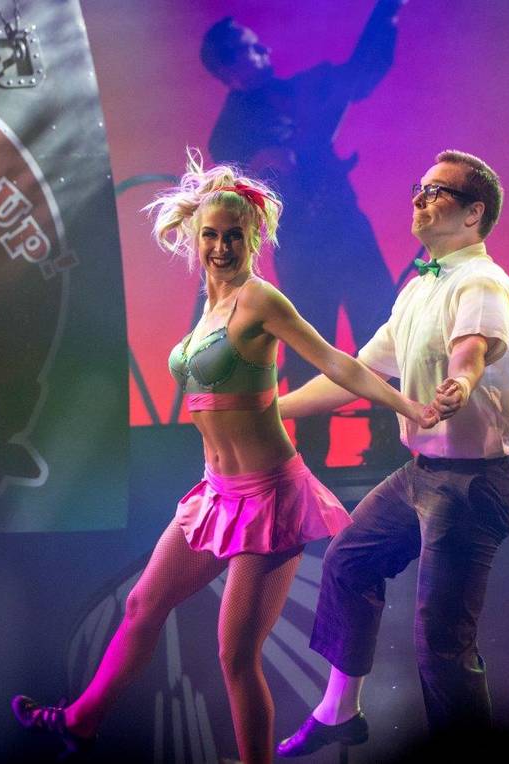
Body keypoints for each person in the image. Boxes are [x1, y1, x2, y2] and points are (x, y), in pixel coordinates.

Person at [11, 151, 436, 763]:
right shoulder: (209, 311)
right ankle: (79, 723)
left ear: (252, 238)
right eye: (210, 235)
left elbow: (337, 363)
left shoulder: (260, 300)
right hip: (216, 494)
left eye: (233, 236)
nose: (220, 247)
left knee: (235, 656)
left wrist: (407, 405)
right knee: (141, 605)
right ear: (196, 237)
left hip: (270, 499)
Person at [276, 150, 509, 756]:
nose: (420, 197)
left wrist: (461, 383)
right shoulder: (420, 287)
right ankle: (339, 711)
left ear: (473, 214)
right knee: (348, 562)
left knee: (441, 641)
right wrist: (271, 410)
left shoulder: (479, 280)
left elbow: (472, 351)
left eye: (437, 191)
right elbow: (357, 374)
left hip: (474, 486)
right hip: (422, 474)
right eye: (420, 186)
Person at [201, 0, 407, 467]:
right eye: (249, 47)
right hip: (302, 245)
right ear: (229, 69)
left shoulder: (301, 89)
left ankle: (388, 442)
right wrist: (265, 162)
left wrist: (388, 12)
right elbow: (248, 177)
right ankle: (311, 456)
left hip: (347, 229)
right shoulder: (229, 133)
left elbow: (360, 74)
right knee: (310, 342)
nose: (263, 49)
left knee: (379, 328)